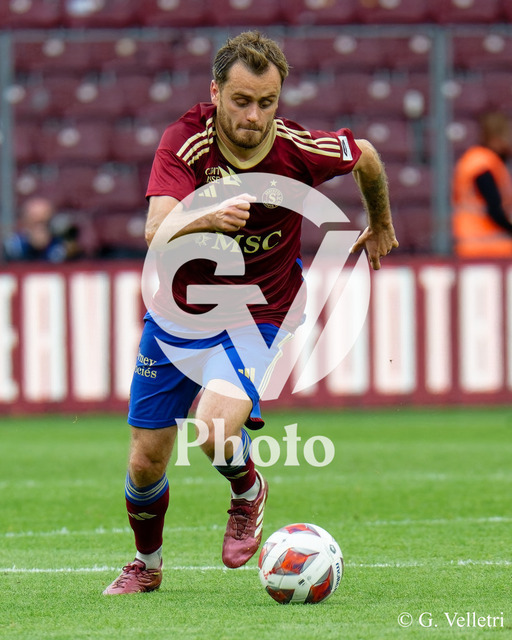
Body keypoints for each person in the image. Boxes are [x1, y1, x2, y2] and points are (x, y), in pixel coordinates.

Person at [103, 31, 398, 595]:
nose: (254, 116)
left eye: (267, 102)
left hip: (260, 311)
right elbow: (155, 229)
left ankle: (246, 490)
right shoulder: (186, 142)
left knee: (214, 427)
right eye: (241, 101)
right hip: (179, 314)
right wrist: (207, 216)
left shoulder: (294, 149)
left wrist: (380, 221)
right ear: (215, 92)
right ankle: (147, 564)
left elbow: (364, 154)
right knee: (145, 463)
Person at [452, 111, 512, 257]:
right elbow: (494, 209)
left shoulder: (475, 159)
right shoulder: (483, 164)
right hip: (485, 243)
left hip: (470, 242)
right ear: (496, 138)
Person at [3, 196, 80, 262]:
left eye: (43, 222)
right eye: (35, 222)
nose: (39, 228)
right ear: (25, 222)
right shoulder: (14, 244)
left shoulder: (60, 245)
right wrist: (31, 246)